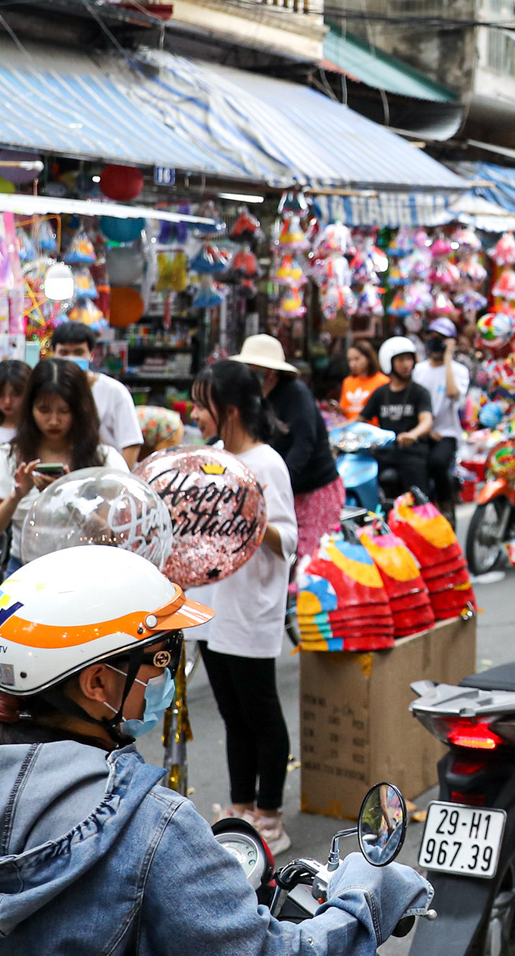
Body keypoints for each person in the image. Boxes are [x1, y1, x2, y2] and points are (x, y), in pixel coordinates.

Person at [0, 545, 433, 955]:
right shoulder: (153, 830)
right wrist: (365, 898)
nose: (172, 676)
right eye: (162, 659)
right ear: (97, 684)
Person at [187, 360, 298, 852]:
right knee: (232, 712)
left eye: (200, 404)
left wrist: (253, 512)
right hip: (211, 606)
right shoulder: (209, 455)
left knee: (260, 713)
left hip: (250, 606)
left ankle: (270, 813)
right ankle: (240, 808)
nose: (194, 414)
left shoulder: (267, 463)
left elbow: (288, 539)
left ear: (228, 410)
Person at [0, 359, 129, 556]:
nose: (54, 420)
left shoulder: (104, 460)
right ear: (29, 409)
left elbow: (107, 538)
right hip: (26, 571)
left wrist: (68, 497)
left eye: (64, 411)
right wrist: (16, 495)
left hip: (87, 573)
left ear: (81, 410)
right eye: (44, 410)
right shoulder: (7, 458)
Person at [230, 334, 343, 549]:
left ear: (271, 373)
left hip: (312, 490)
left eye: (257, 371)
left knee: (308, 558)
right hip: (277, 491)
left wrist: (280, 481)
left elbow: (304, 443)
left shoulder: (296, 394)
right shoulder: (253, 398)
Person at [49, 321, 144, 466]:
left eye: (78, 352)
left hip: (104, 472)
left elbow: (131, 444)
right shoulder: (47, 391)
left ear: (91, 355)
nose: (71, 358)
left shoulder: (115, 392)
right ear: (53, 353)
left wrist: (118, 482)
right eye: (64, 352)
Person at [363, 338, 435, 503]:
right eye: (401, 360)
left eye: (409, 359)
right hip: (386, 452)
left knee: (417, 497)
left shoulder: (420, 392)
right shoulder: (380, 393)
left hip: (412, 452)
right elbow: (360, 418)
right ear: (389, 362)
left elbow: (426, 420)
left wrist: (412, 434)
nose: (406, 364)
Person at [414, 320, 470, 509]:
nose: (434, 342)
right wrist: (425, 430)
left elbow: (453, 394)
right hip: (422, 431)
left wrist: (447, 358)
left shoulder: (459, 370)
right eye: (431, 337)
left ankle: (446, 507)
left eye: (440, 338)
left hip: (447, 433)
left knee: (437, 463)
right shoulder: (418, 370)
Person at [336, 341, 387, 423]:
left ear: (368, 358)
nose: (353, 364)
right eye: (350, 360)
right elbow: (345, 409)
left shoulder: (382, 381)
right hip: (351, 430)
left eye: (357, 359)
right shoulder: (348, 382)